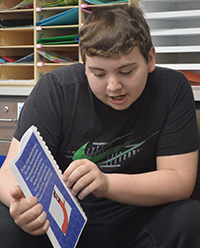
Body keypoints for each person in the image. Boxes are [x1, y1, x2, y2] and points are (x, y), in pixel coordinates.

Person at [0, 4, 200, 248]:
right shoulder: (57, 89)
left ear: (150, 59)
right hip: (62, 220)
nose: (113, 86)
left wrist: (107, 183)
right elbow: (9, 170)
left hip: (138, 217)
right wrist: (21, 205)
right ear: (85, 66)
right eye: (98, 74)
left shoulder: (173, 88)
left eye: (126, 72)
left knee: (192, 218)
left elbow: (179, 181)